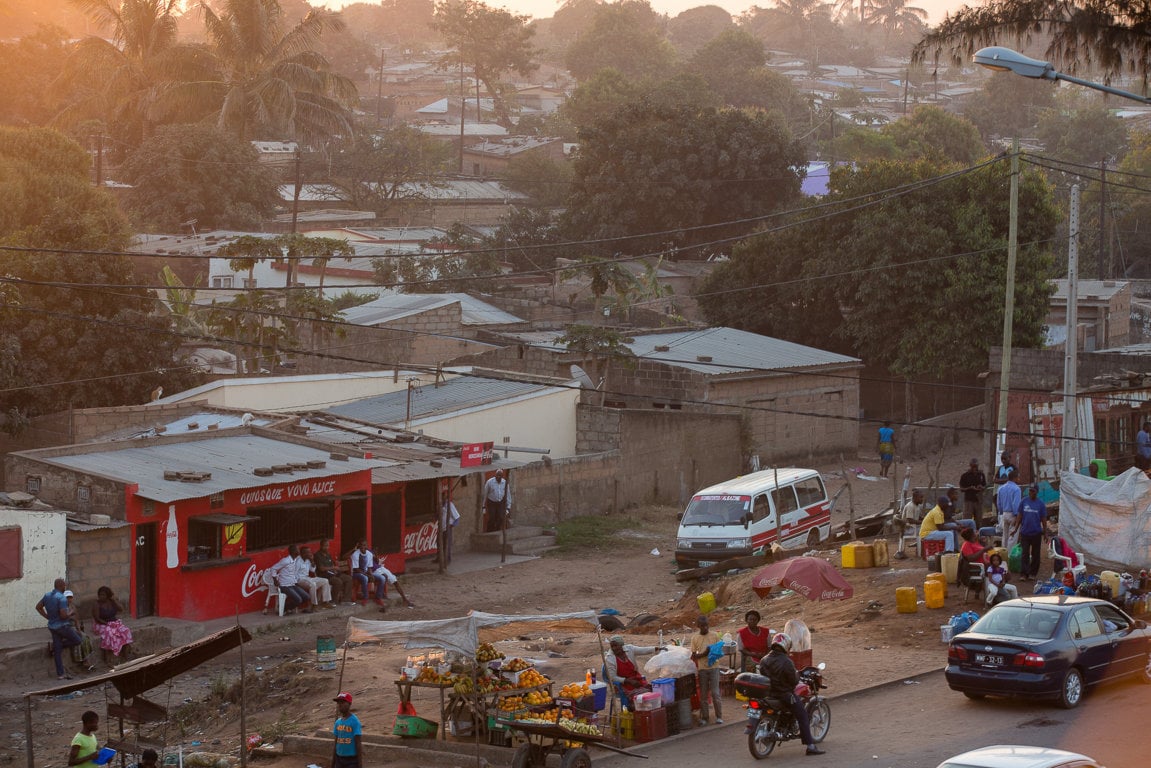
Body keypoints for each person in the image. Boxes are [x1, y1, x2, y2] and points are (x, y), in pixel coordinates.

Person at [756, 633, 824, 756]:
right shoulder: (786, 661)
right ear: (786, 646)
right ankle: (810, 746)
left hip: (768, 694)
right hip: (784, 695)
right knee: (803, 715)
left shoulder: (764, 660)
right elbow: (794, 680)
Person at [36, 578, 83, 680]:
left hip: (52, 626)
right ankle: (57, 647)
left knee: (57, 650)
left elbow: (38, 607)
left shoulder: (47, 595)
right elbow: (63, 616)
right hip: (62, 626)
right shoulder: (61, 598)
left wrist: (47, 616)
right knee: (78, 639)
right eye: (64, 586)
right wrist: (71, 612)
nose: (64, 587)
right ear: (61, 586)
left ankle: (60, 674)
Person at [689, 614, 724, 725]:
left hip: (714, 667)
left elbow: (719, 652)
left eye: (706, 625)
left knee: (715, 693)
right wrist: (704, 654)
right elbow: (694, 655)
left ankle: (719, 716)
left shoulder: (714, 636)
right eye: (702, 626)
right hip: (702, 669)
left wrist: (712, 653)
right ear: (698, 626)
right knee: (703, 695)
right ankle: (705, 717)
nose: (705, 628)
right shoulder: (695, 638)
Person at [91, 586, 133, 666]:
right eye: (100, 595)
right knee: (109, 633)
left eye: (103, 595)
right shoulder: (96, 604)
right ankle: (108, 660)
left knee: (125, 630)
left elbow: (121, 609)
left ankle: (125, 655)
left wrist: (114, 600)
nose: (101, 597)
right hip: (101, 624)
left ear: (108, 596)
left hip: (113, 622)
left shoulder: (111, 601)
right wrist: (108, 624)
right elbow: (97, 618)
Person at [1015, 484, 1048, 582]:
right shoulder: (1024, 501)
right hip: (1025, 532)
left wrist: (1045, 533)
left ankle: (1032, 573)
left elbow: (1044, 519)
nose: (1031, 493)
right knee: (1024, 553)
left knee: (1035, 554)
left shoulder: (1041, 504)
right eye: (1030, 490)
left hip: (1036, 533)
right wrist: (1016, 528)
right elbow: (1020, 516)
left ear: (1037, 492)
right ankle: (1024, 573)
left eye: (1033, 491)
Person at [269, 545, 311, 614]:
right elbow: (273, 568)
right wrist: (275, 580)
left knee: (306, 597)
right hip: (285, 585)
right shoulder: (285, 560)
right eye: (297, 549)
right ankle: (282, 609)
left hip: (292, 584)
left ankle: (287, 607)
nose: (299, 551)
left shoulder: (295, 560)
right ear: (293, 551)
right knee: (299, 600)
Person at [314, 539, 355, 605]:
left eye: (327, 546)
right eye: (325, 546)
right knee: (338, 581)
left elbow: (331, 565)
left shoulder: (328, 554)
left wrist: (334, 570)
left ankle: (345, 600)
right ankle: (332, 600)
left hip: (332, 573)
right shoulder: (317, 555)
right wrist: (333, 568)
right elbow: (321, 568)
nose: (326, 547)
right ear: (321, 546)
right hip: (324, 575)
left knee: (348, 578)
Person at [330, 692, 362, 768]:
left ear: (349, 704)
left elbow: (358, 744)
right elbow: (336, 743)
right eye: (338, 703)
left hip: (351, 760)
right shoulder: (338, 722)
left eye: (343, 702)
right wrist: (332, 763)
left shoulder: (355, 721)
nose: (340, 705)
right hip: (339, 758)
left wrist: (360, 765)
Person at [996, 469, 1023, 553]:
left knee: (1005, 536)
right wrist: (1017, 516)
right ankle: (1010, 556)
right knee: (1012, 537)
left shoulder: (1001, 488)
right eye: (1018, 477)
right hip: (1013, 514)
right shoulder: (1016, 489)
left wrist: (1001, 512)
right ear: (1015, 478)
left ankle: (1003, 554)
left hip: (1004, 513)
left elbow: (998, 503)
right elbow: (1016, 505)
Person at [959, 459, 987, 528]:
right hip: (969, 500)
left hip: (978, 500)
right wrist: (969, 488)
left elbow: (985, 485)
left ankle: (977, 534)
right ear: (970, 466)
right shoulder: (965, 475)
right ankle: (967, 534)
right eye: (973, 466)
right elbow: (961, 488)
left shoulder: (981, 475)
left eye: (976, 466)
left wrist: (981, 487)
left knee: (979, 520)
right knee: (967, 519)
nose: (974, 468)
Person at [440, 497, 460, 565]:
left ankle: (447, 559)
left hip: (447, 527)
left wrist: (451, 525)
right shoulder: (440, 505)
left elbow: (457, 517)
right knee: (439, 543)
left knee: (447, 544)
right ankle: (440, 558)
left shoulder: (449, 505)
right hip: (441, 528)